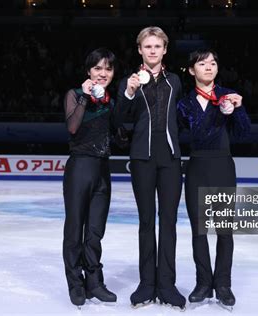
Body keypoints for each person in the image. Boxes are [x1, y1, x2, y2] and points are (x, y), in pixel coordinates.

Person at [114, 26, 185, 309]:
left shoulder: (175, 81)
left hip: (169, 159)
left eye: (157, 46)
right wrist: (130, 92)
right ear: (140, 50)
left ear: (164, 50)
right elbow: (118, 118)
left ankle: (167, 285)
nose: (153, 50)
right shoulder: (129, 82)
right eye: (148, 46)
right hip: (142, 158)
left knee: (168, 223)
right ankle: (146, 284)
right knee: (146, 223)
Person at [177, 49, 251, 308]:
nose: (209, 67)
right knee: (199, 230)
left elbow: (244, 134)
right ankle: (203, 283)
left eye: (213, 62)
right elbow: (194, 133)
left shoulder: (228, 96)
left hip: (222, 165)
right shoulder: (184, 103)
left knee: (224, 230)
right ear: (190, 70)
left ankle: (223, 284)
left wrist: (238, 111)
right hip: (197, 165)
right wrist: (219, 112)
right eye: (202, 63)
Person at [62, 48, 122, 307]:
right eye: (98, 68)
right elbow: (73, 127)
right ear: (88, 71)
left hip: (102, 171)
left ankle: (94, 282)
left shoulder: (111, 101)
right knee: (75, 229)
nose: (103, 73)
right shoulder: (74, 95)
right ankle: (75, 282)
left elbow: (118, 135)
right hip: (79, 169)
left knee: (95, 231)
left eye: (108, 69)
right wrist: (85, 97)